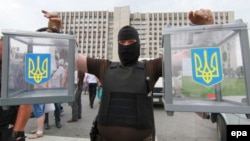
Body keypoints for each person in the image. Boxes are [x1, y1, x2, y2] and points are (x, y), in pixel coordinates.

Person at [45, 9, 214, 141]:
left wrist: (203, 30)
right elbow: (69, 56)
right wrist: (55, 30)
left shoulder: (151, 67)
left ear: (138, 44)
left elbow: (188, 56)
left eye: (131, 42)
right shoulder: (104, 66)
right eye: (122, 42)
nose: (126, 45)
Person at [0, 37, 33, 141]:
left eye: (2, 49)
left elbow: (27, 102)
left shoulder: (17, 69)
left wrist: (16, 133)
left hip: (9, 127)